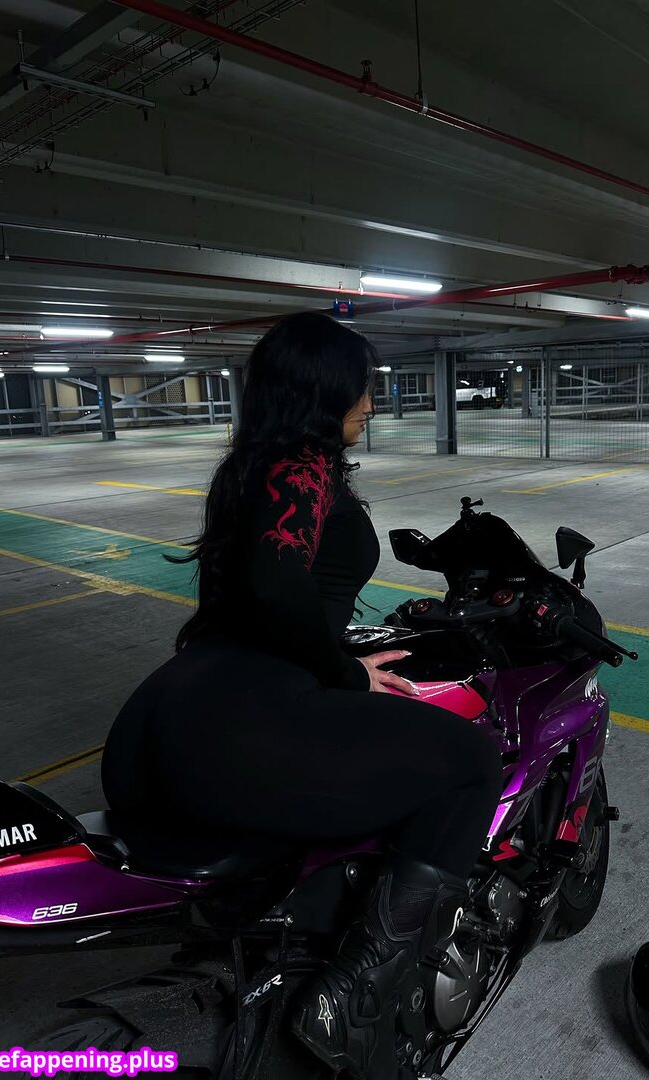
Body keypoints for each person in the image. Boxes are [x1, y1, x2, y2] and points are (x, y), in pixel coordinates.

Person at [101, 312, 503, 1079]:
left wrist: (336, 654)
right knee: (472, 761)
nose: (371, 404)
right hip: (239, 726)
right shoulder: (304, 464)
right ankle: (353, 999)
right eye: (362, 388)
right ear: (322, 392)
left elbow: (248, 600)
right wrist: (346, 673)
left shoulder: (247, 468)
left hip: (163, 716)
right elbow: (276, 584)